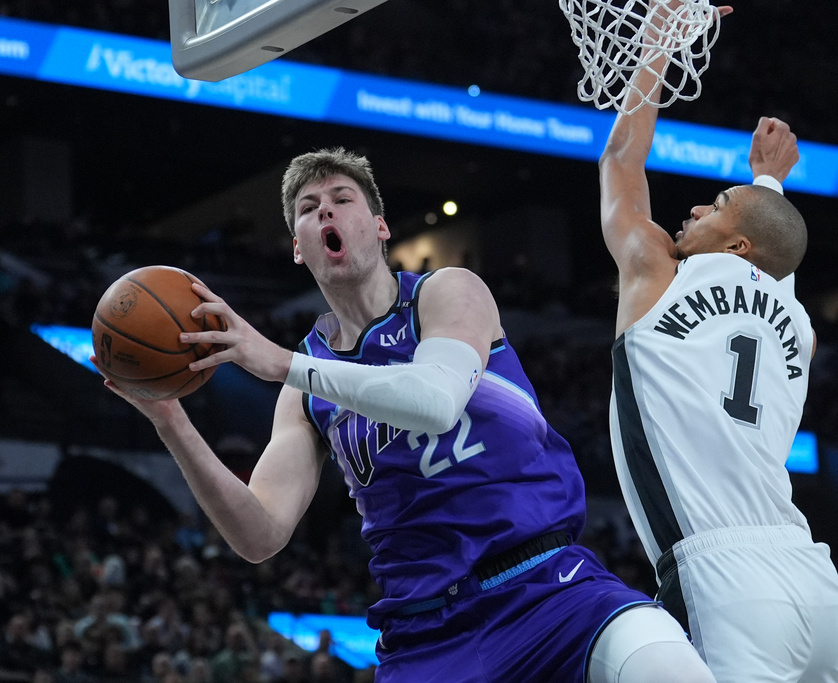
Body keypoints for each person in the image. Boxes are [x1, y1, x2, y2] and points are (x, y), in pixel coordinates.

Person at [92, 146, 716, 682]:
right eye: (309, 208)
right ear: (298, 249)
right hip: (427, 634)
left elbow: (435, 401)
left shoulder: (447, 293)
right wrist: (171, 421)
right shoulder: (305, 395)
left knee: (669, 666)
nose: (326, 211)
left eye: (342, 199)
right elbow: (259, 534)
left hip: (549, 587)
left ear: (380, 226)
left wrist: (280, 362)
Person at [596, 3, 838, 681]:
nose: (694, 208)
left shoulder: (656, 270)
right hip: (815, 580)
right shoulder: (800, 325)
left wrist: (658, 41)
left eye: (713, 205)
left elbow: (621, 160)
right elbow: (773, 252)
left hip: (726, 580)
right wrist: (765, 183)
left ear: (737, 243)